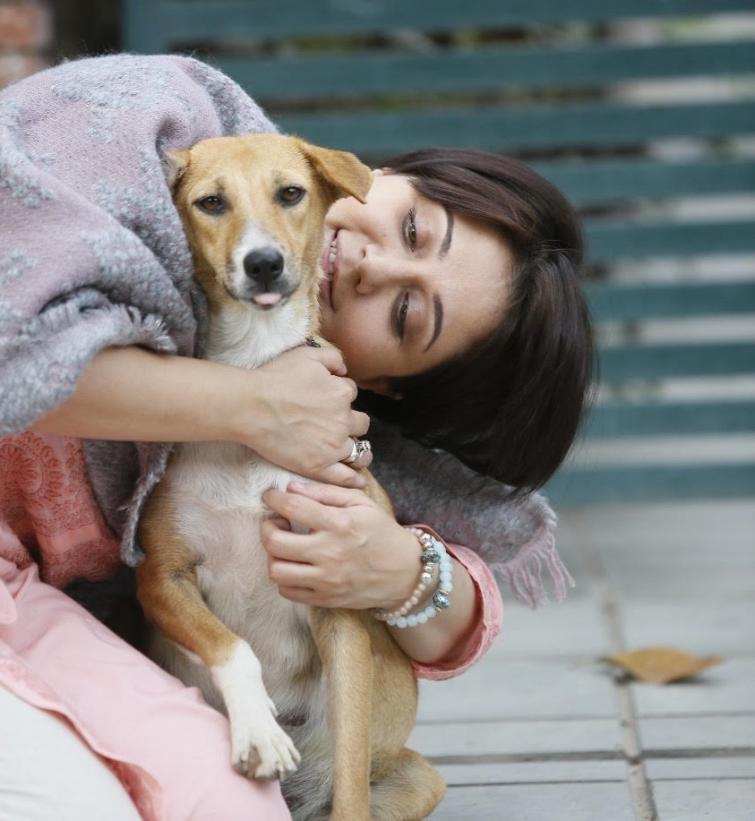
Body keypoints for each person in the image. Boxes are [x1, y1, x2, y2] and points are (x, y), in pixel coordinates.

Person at [0, 55, 591, 820]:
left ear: (385, 387)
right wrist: (248, 404)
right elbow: (20, 357)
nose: (373, 265)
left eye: (405, 315)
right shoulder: (163, 126)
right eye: (412, 227)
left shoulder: (324, 420)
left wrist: (402, 571)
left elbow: (458, 607)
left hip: (30, 610)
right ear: (379, 173)